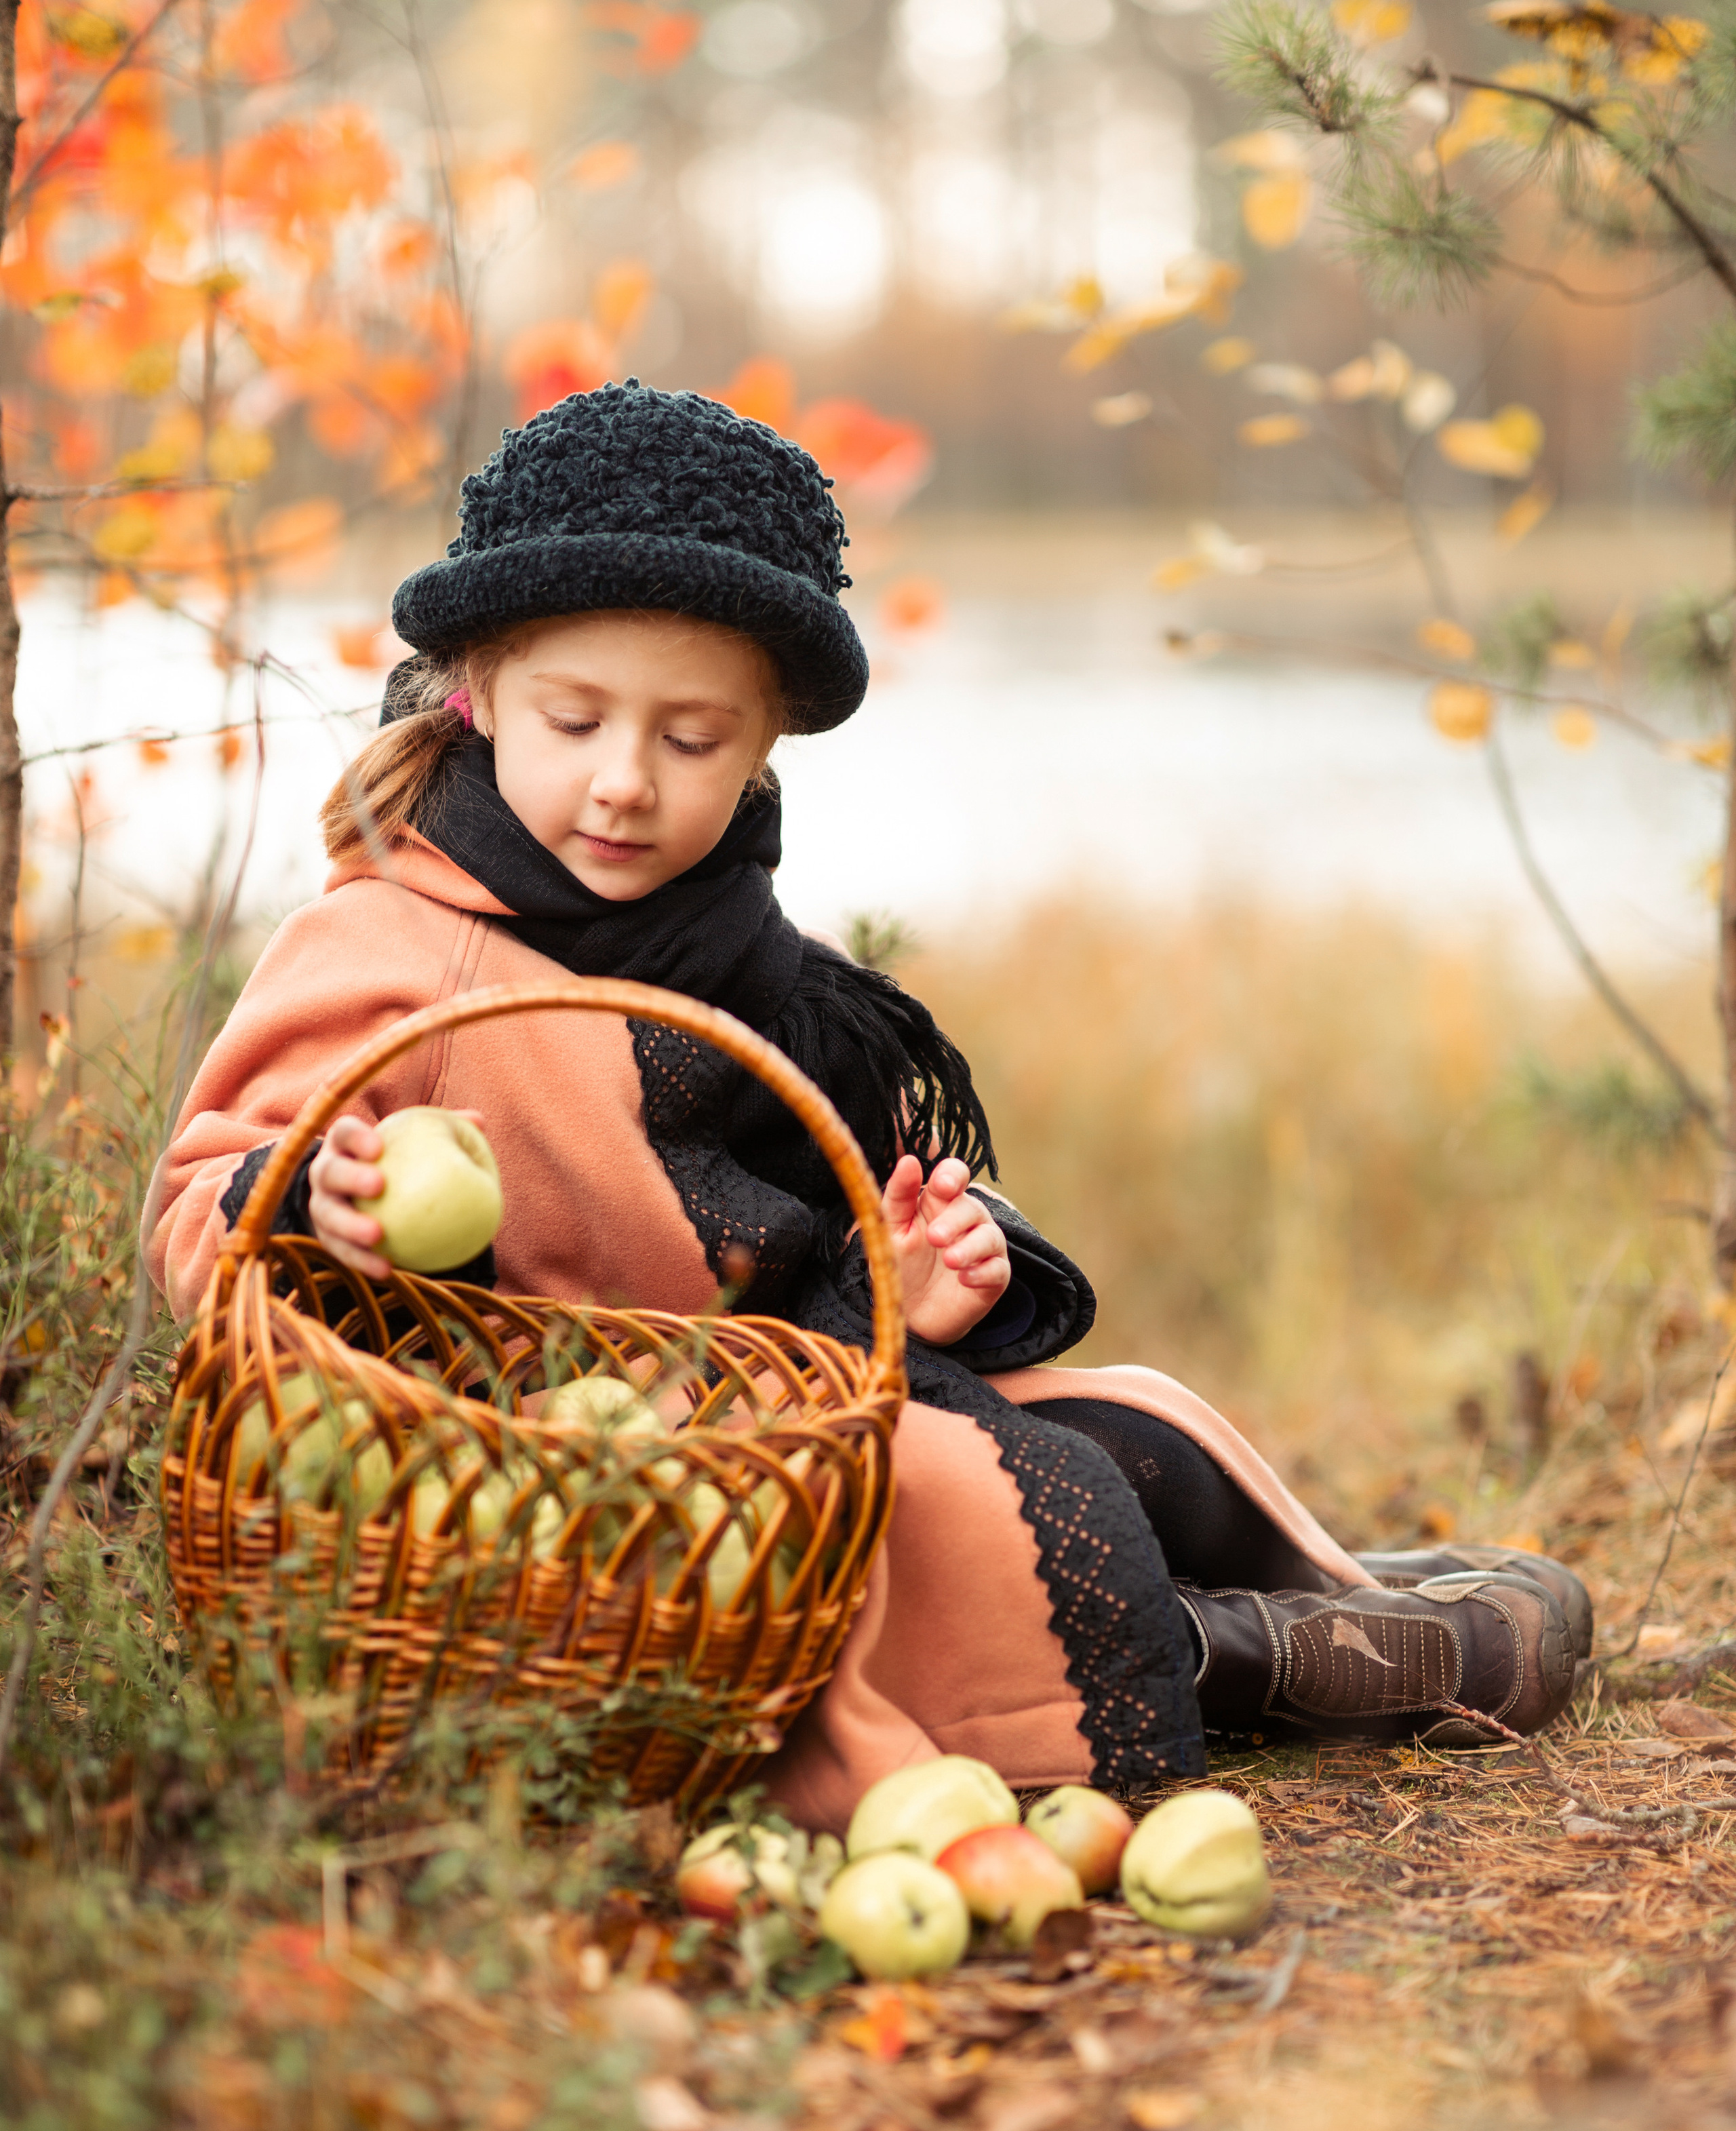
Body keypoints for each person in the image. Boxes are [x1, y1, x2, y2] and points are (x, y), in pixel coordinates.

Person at [149, 381, 1588, 1831]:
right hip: (532, 1486)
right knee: (927, 1496)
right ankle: (1246, 1661)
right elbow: (196, 1207)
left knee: (1119, 1426)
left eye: (692, 740)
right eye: (573, 719)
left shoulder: (757, 972)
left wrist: (886, 1289)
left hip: (746, 1409)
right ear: (476, 694)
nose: (624, 783)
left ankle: (1315, 1582)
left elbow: (769, 1304)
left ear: (765, 741)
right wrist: (310, 1202)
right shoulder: (389, 945)